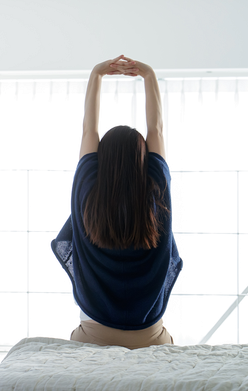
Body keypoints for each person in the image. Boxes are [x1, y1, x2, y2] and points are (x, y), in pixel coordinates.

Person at [51, 55, 183, 349]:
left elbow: (89, 130)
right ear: (143, 159)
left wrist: (97, 74)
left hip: (94, 332)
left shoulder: (87, 190)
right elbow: (157, 130)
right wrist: (148, 75)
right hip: (150, 335)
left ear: (102, 159)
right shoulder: (156, 192)